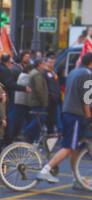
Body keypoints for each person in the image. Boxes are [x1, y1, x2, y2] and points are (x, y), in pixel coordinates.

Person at [37, 53, 92, 184]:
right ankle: (46, 170)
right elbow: (86, 98)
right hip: (76, 115)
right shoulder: (88, 74)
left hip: (67, 111)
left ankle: (77, 178)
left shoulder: (74, 72)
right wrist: (89, 116)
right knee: (68, 146)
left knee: (75, 148)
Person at [24, 59, 48, 143]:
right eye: (43, 63)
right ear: (39, 65)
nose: (44, 65)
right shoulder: (37, 74)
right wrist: (43, 101)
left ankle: (33, 138)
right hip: (37, 102)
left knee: (37, 121)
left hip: (35, 101)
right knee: (38, 120)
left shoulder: (35, 73)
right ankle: (27, 132)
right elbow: (39, 89)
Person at [44, 56, 61, 134]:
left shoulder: (53, 72)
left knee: (53, 117)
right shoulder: (44, 73)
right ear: (46, 62)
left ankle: (51, 132)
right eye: (50, 62)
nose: (51, 64)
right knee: (49, 118)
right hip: (49, 99)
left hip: (55, 99)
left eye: (53, 62)